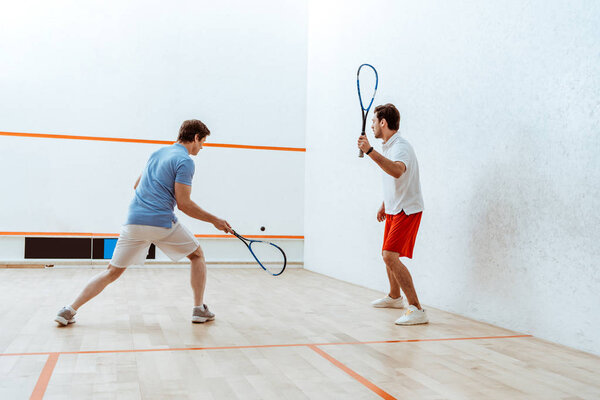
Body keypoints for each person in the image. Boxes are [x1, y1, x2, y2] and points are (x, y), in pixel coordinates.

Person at [55, 119, 232, 326]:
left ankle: (68, 310)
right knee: (197, 255)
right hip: (160, 222)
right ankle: (198, 309)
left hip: (133, 221)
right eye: (202, 142)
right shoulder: (186, 161)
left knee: (112, 271)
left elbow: (136, 185)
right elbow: (184, 204)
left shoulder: (157, 153)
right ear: (195, 137)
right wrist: (215, 220)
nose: (202, 147)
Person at [357, 103, 428, 325]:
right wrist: (384, 203)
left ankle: (416, 308)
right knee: (387, 255)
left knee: (389, 255)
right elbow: (394, 177)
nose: (372, 126)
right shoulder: (388, 145)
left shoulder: (401, 147)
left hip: (408, 209)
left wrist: (369, 151)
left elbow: (397, 171)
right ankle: (395, 297)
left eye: (374, 122)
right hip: (394, 207)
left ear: (383, 123)